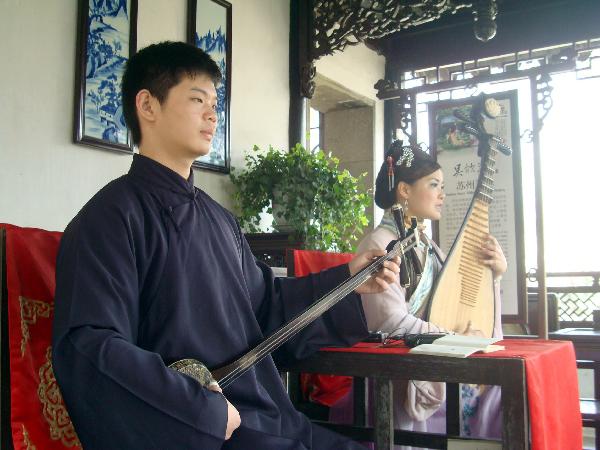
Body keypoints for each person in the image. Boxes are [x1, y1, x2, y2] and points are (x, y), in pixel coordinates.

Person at [51, 41, 400, 450]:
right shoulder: (111, 217)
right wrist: (202, 411)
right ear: (147, 105)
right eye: (196, 99)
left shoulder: (220, 220)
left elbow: (266, 306)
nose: (212, 113)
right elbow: (90, 346)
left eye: (215, 102)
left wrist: (347, 279)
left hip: (274, 420)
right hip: (205, 431)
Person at [330, 141, 507, 449]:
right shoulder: (380, 242)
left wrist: (495, 275)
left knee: (502, 386)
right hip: (400, 373)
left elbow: (453, 304)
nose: (442, 194)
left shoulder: (425, 243)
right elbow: (390, 322)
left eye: (443, 186)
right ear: (405, 190)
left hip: (430, 359)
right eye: (434, 185)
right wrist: (456, 338)